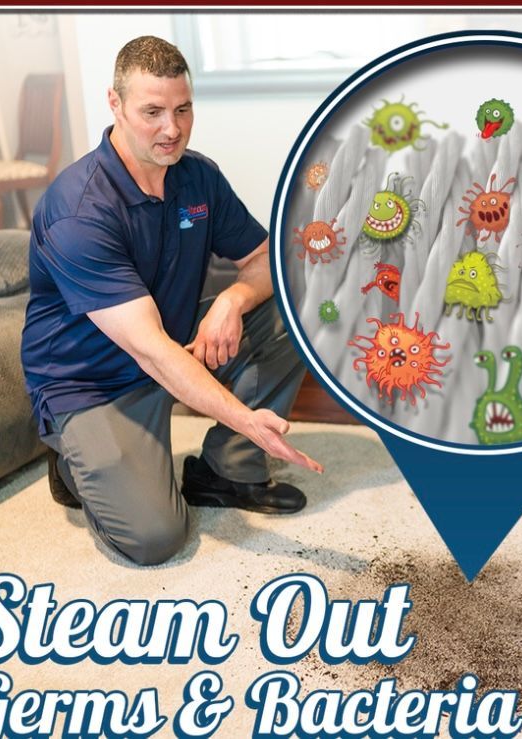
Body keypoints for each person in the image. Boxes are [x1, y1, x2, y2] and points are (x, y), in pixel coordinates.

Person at [21, 35, 322, 566]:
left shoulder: (197, 176)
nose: (173, 129)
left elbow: (268, 261)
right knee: (156, 538)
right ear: (115, 104)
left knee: (297, 303)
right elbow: (150, 351)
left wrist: (233, 299)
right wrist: (246, 418)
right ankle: (72, 461)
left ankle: (226, 471)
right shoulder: (78, 209)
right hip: (93, 383)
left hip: (173, 344)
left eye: (183, 109)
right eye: (153, 112)